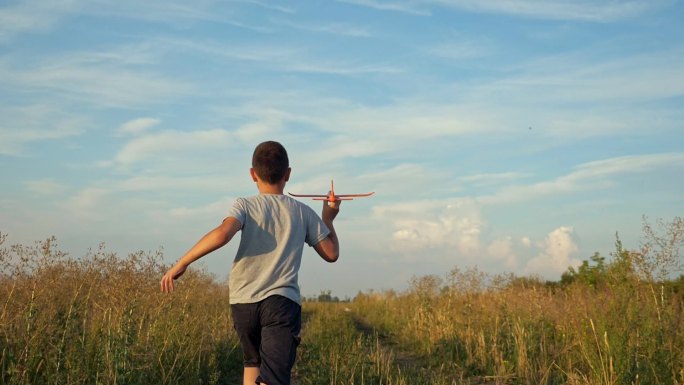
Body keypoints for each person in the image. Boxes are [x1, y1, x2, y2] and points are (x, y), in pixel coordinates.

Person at [160, 140, 340, 385]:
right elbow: (331, 253)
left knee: (252, 364)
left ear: (252, 174)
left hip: (243, 303)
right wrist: (328, 218)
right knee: (273, 378)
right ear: (288, 174)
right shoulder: (302, 211)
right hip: (280, 303)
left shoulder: (244, 205)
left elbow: (222, 234)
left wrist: (182, 263)